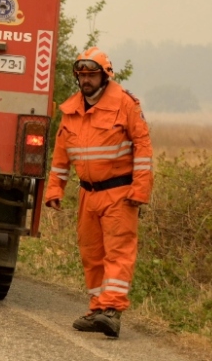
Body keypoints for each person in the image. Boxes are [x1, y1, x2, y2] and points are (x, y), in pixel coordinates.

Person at [45, 47, 153, 339]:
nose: (86, 80)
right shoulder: (71, 110)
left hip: (120, 193)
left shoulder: (125, 104)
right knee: (92, 254)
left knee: (118, 252)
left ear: (105, 75)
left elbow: (143, 148)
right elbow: (61, 154)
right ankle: (97, 309)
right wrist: (55, 188)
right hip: (88, 194)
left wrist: (140, 189)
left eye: (92, 74)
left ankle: (113, 311)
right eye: (81, 75)